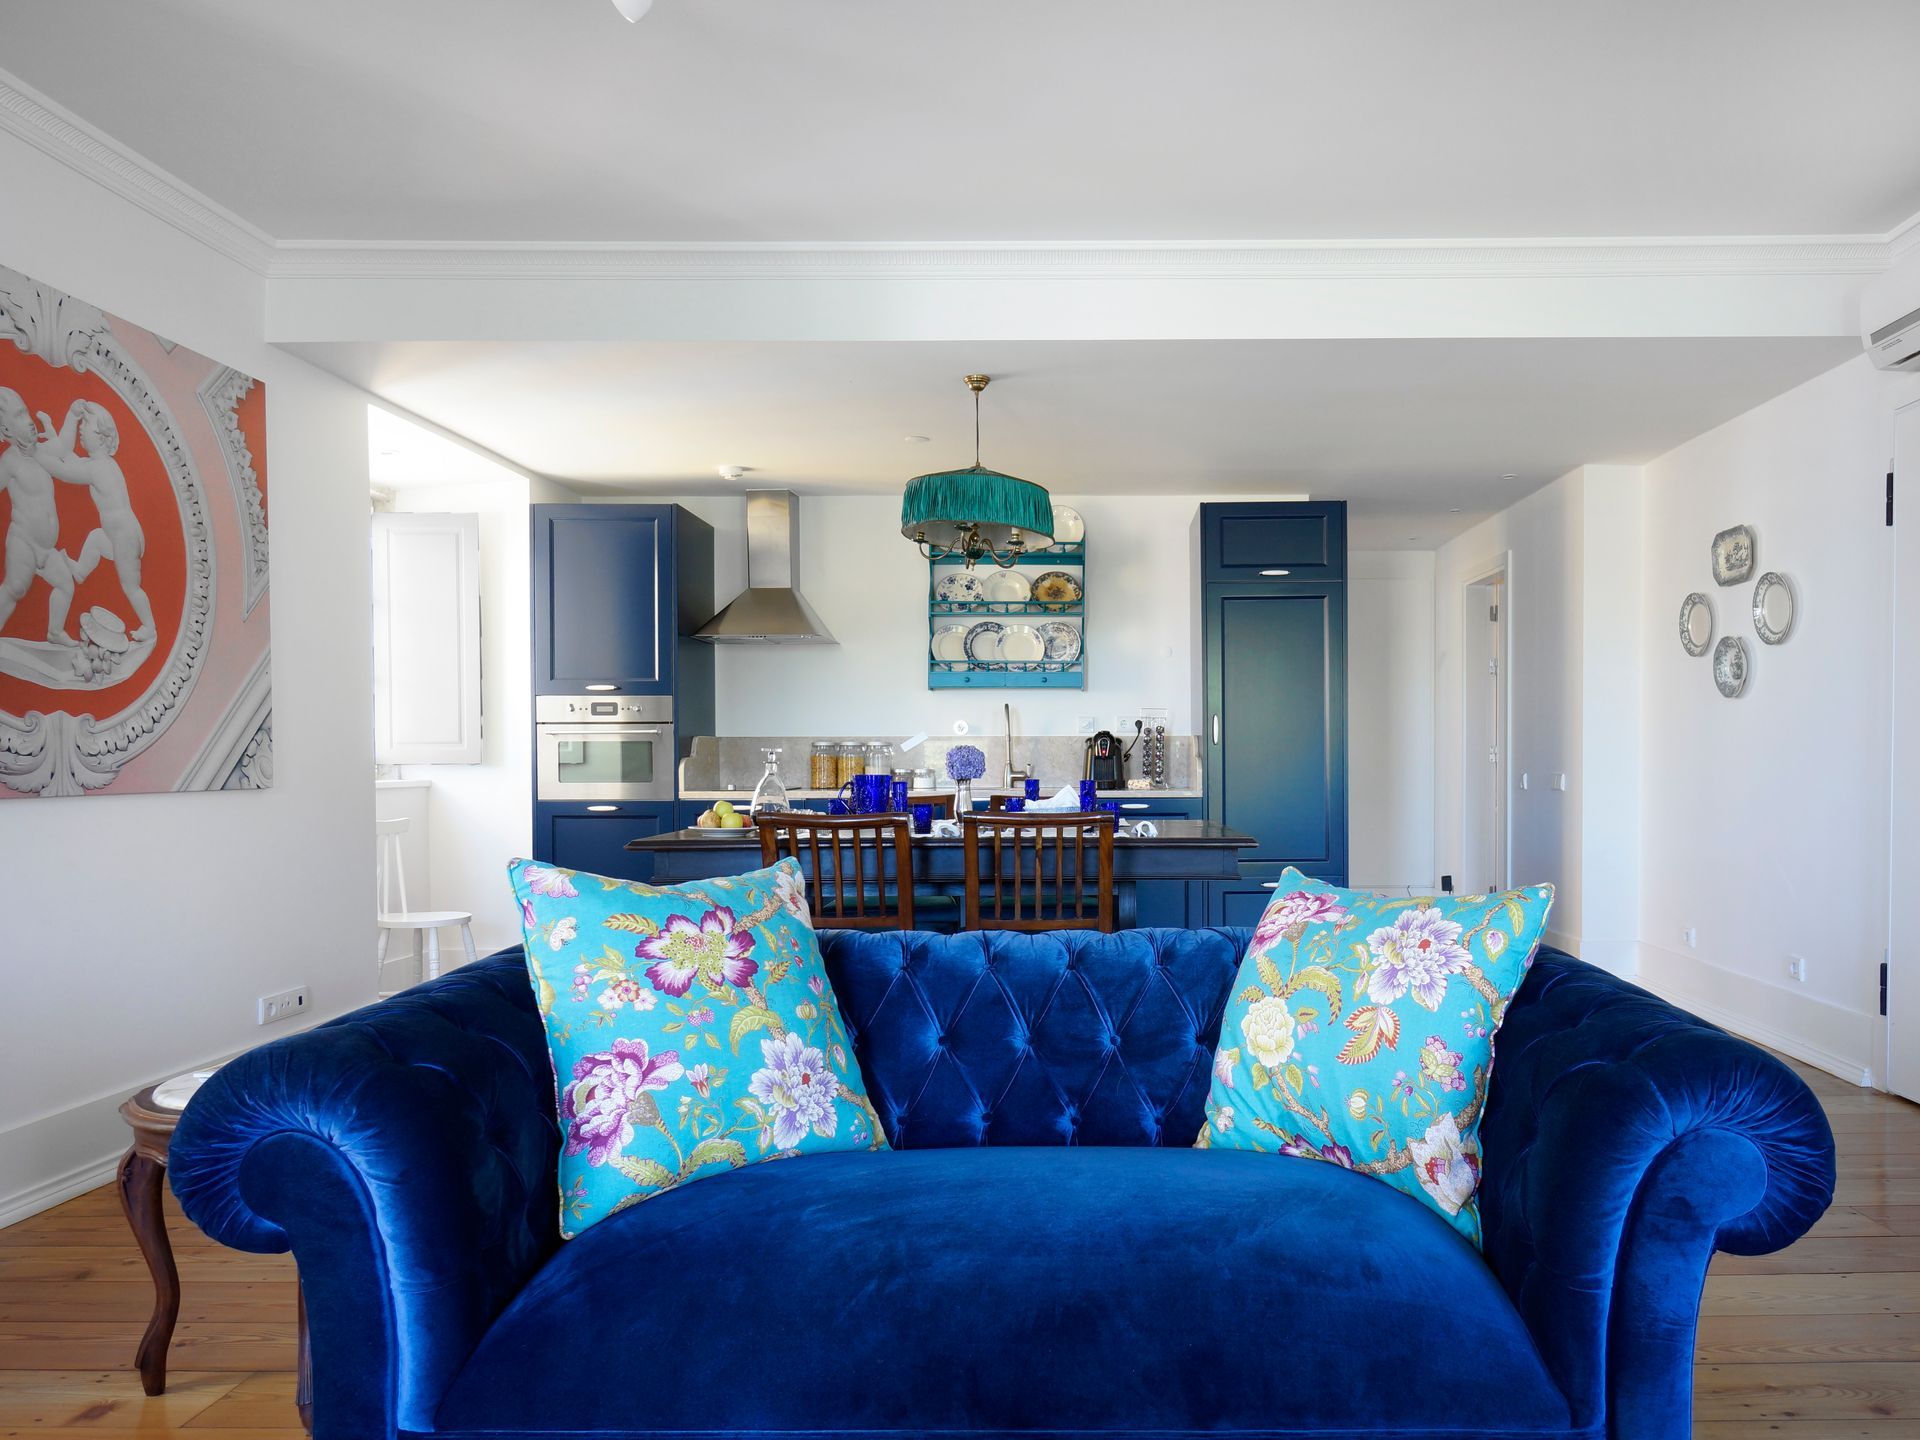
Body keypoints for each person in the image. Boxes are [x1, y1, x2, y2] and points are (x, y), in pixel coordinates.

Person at [36, 398, 154, 641]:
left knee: (130, 586)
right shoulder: (98, 463)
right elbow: (69, 459)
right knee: (96, 538)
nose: (80, 431)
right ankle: (80, 570)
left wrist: (34, 453)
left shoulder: (98, 468)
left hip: (125, 536)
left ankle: (149, 626)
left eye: (85, 427)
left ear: (101, 436)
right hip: (115, 534)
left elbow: (64, 471)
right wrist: (53, 435)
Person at [0, 386, 77, 645]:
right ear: (7, 431)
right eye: (20, 415)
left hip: (47, 547)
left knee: (66, 585)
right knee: (15, 589)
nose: (30, 420)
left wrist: (73, 416)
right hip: (23, 540)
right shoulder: (10, 461)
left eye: (27, 412)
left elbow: (64, 445)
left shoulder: (41, 452)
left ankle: (54, 633)